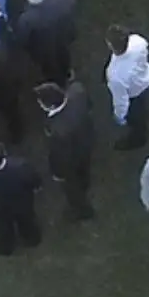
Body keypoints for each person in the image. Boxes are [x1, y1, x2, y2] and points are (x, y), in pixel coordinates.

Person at [35, 80, 95, 220]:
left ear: (49, 105)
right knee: (84, 168)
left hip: (71, 160)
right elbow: (89, 107)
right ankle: (85, 182)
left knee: (72, 188)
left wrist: (58, 173)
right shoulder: (78, 90)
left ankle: (83, 210)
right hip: (87, 143)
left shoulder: (57, 130)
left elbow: (59, 155)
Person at [104, 26, 149, 150]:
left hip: (135, 94)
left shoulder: (115, 75)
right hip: (145, 78)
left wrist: (120, 117)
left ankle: (138, 140)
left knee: (137, 120)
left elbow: (121, 100)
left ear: (110, 45)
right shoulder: (138, 41)